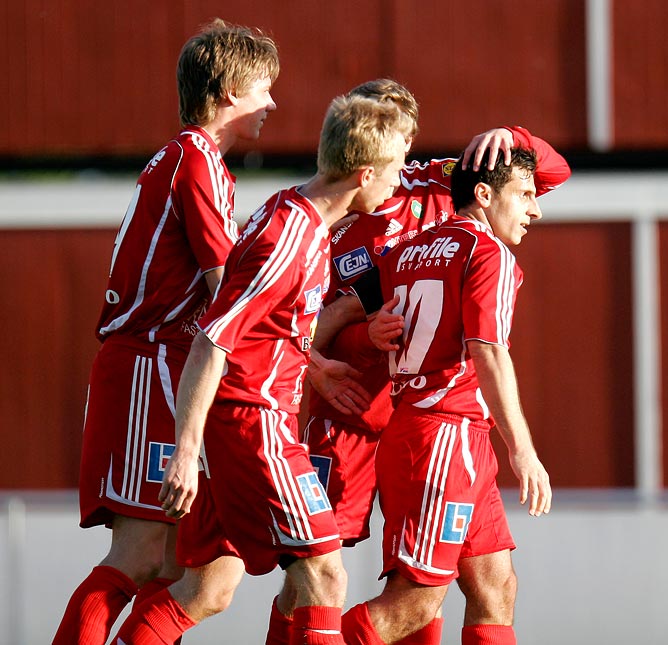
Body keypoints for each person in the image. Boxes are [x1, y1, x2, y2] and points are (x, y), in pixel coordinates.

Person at [266, 79, 571, 644]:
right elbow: (301, 317)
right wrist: (323, 362)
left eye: (406, 140)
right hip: (378, 418)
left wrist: (513, 136)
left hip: (432, 421)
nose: (403, 158)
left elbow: (544, 174)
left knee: (493, 585)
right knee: (329, 578)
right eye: (392, 144)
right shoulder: (332, 214)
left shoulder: (429, 201)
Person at [108, 93, 411, 645]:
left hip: (254, 420)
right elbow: (211, 338)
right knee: (324, 574)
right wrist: (185, 448)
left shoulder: (299, 216)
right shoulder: (288, 234)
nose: (398, 186)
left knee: (208, 589)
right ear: (365, 172)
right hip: (253, 422)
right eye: (393, 172)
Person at [52, 19, 279, 644]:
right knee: (144, 553)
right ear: (230, 91)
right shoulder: (194, 157)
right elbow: (225, 292)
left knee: (185, 564)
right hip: (146, 366)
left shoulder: (198, 160)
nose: (273, 102)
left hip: (167, 365)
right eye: (264, 87)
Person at [337, 142, 569, 644]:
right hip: (446, 436)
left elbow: (333, 316)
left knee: (495, 586)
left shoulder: (404, 251)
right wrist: (524, 451)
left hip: (427, 433)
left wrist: (324, 358)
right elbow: (487, 350)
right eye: (525, 194)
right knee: (416, 601)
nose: (536, 209)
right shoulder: (491, 255)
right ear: (484, 195)